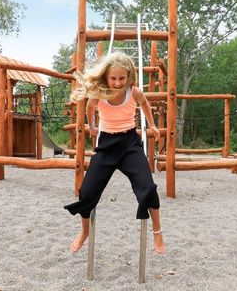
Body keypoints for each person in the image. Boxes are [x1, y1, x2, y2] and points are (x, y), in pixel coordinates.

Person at [64, 52, 166, 254]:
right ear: (106, 77)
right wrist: (91, 125)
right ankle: (84, 232)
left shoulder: (133, 92)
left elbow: (145, 103)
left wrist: (152, 125)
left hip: (129, 144)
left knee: (148, 187)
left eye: (122, 78)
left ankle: (157, 231)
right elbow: (90, 108)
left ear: (129, 77)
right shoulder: (98, 92)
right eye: (114, 78)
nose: (118, 83)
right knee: (86, 192)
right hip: (106, 146)